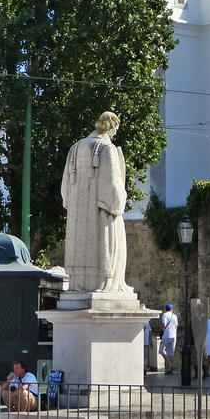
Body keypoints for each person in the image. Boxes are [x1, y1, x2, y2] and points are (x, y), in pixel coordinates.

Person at [61, 111, 130, 293]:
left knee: (81, 249)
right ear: (112, 127)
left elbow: (65, 190)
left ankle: (79, 285)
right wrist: (120, 201)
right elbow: (112, 187)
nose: (115, 134)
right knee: (107, 249)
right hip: (101, 216)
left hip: (77, 217)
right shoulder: (107, 149)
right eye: (116, 129)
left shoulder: (75, 148)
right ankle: (108, 287)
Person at [159, 304, 178, 375]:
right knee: (171, 353)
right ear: (172, 309)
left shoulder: (165, 315)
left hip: (166, 335)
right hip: (174, 336)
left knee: (162, 351)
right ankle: (169, 370)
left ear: (166, 309)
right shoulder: (175, 316)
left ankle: (169, 365)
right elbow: (176, 326)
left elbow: (163, 324)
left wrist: (161, 329)